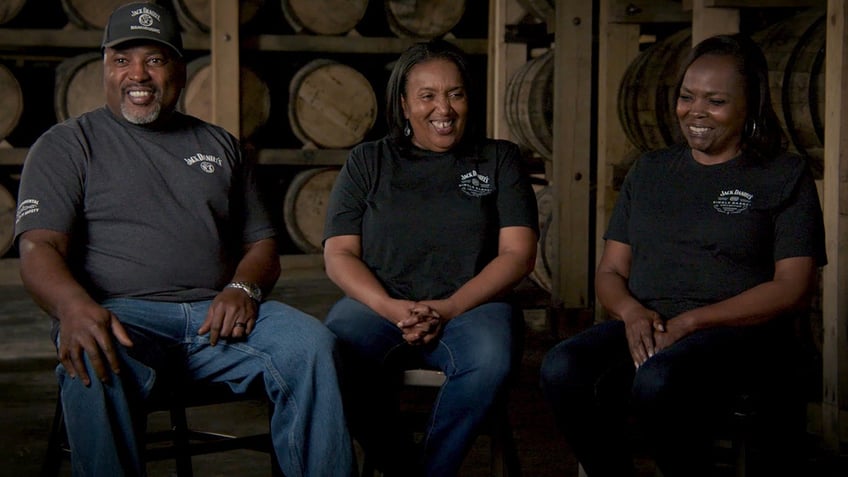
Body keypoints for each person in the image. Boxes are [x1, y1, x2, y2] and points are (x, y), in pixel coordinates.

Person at [14, 3, 353, 476]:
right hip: (122, 316)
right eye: (122, 60)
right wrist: (72, 307)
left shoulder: (221, 145)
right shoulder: (68, 145)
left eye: (154, 59)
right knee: (92, 355)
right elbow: (38, 247)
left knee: (312, 345)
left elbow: (262, 246)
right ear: (104, 68)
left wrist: (242, 289)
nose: (139, 74)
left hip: (220, 321)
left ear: (178, 68)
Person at [540, 33, 826, 477]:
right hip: (649, 324)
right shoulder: (650, 170)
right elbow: (611, 271)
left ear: (749, 105)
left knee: (659, 382)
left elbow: (793, 286)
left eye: (715, 101)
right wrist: (632, 312)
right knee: (562, 367)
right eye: (687, 97)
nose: (695, 111)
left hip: (739, 336)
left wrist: (694, 321)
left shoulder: (783, 175)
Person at [321, 39, 539, 477]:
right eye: (428, 96)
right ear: (403, 104)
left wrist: (450, 307)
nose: (444, 108)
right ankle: (401, 467)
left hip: (474, 307)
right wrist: (388, 307)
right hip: (382, 305)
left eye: (455, 93)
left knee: (490, 359)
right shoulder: (369, 161)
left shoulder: (499, 159)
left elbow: (518, 254)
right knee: (330, 354)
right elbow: (339, 253)